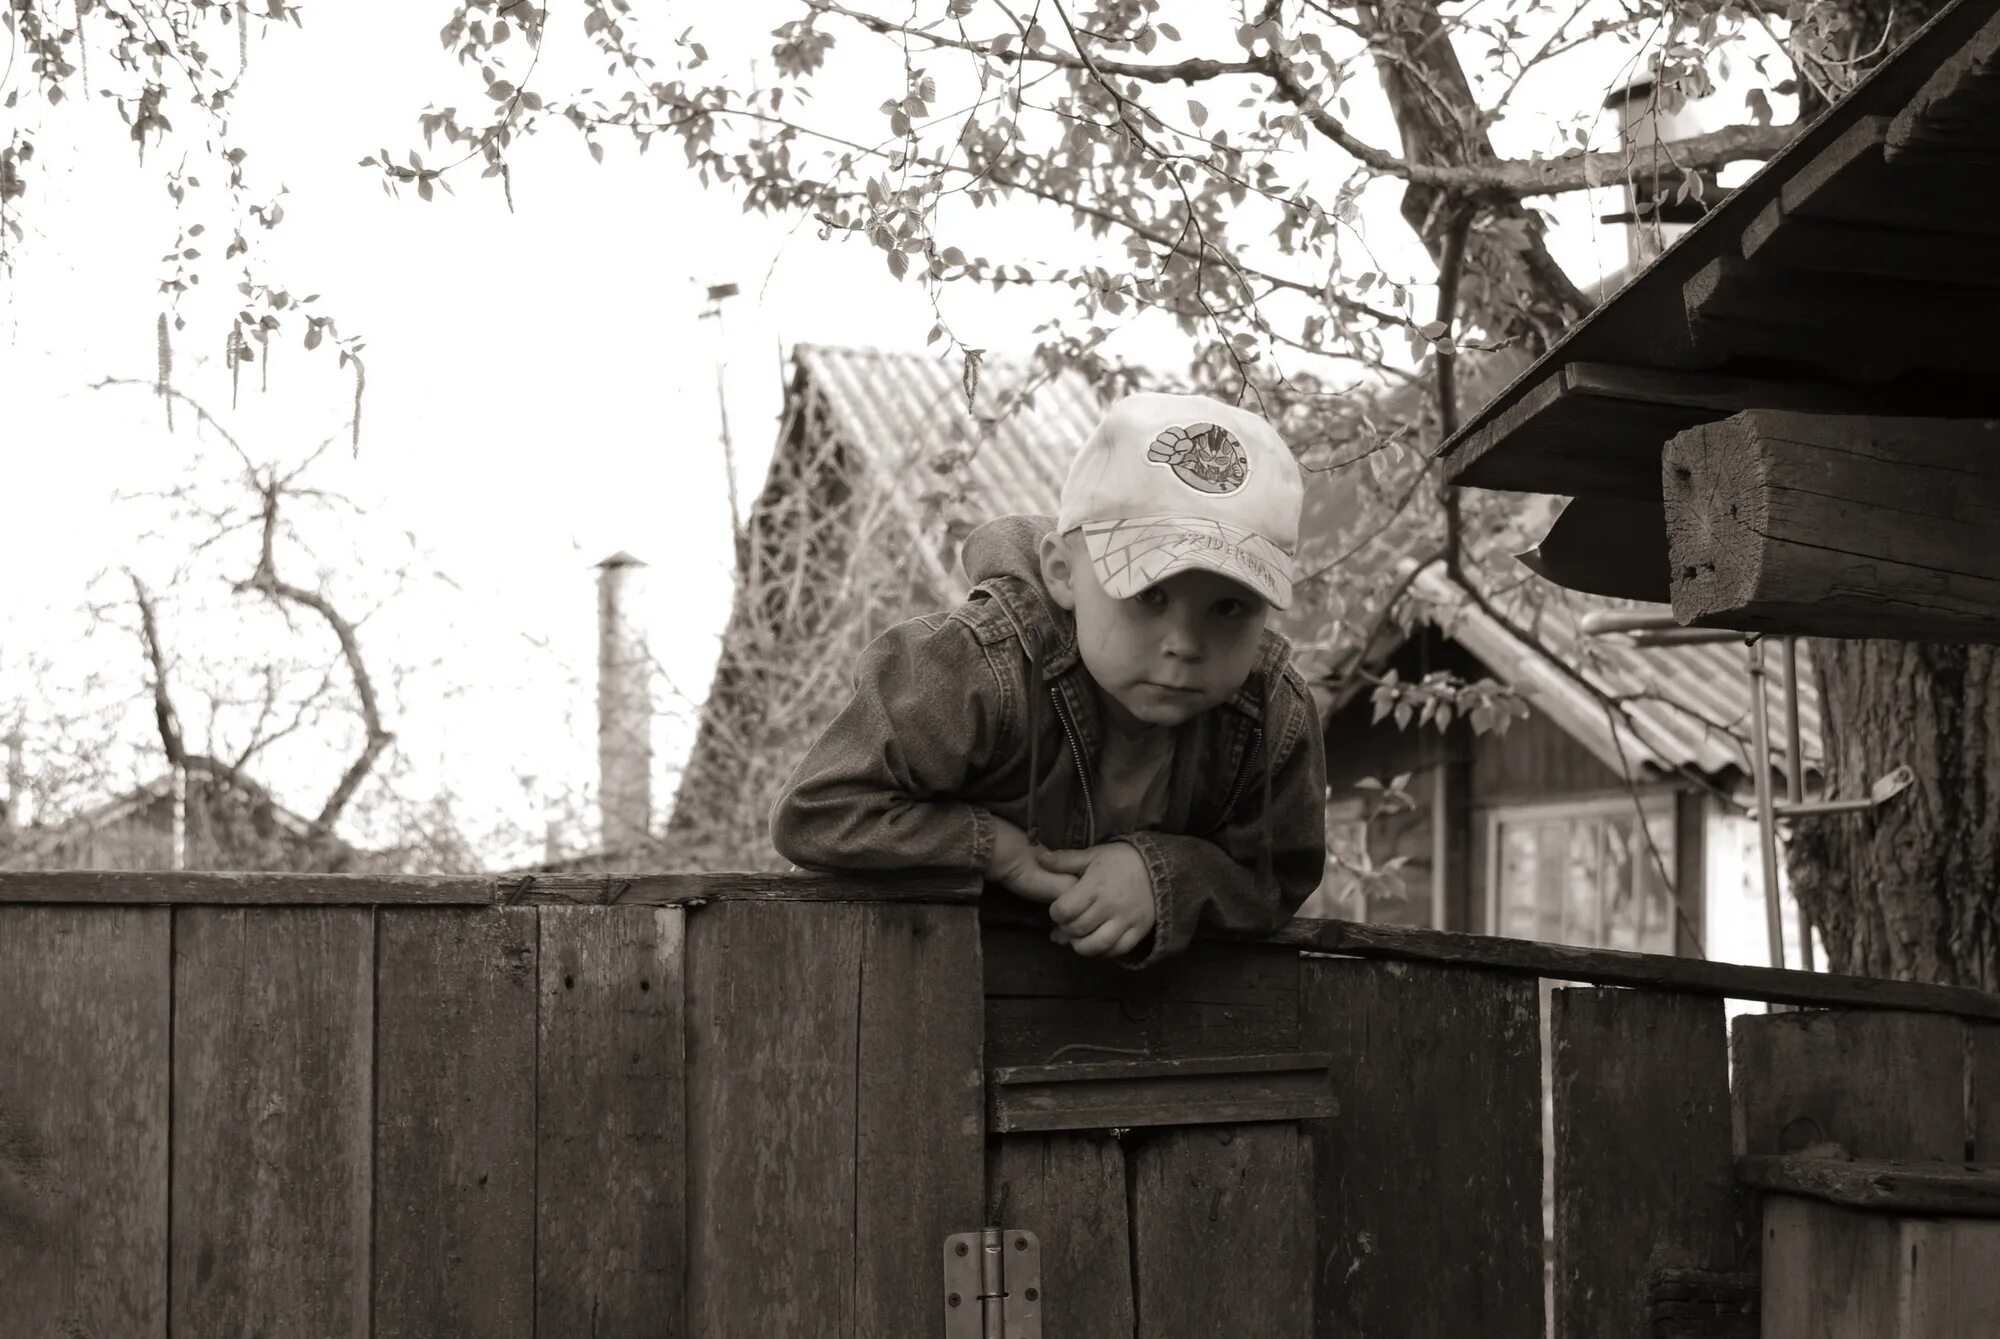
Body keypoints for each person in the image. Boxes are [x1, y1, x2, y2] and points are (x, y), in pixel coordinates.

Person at [770, 390, 1327, 966]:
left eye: (1229, 609)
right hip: (906, 974)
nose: (1184, 644)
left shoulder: (1272, 711)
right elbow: (817, 812)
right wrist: (993, 849)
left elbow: (1277, 875)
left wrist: (1165, 875)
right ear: (1062, 572)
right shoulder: (975, 667)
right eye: (1149, 593)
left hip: (1113, 1019)